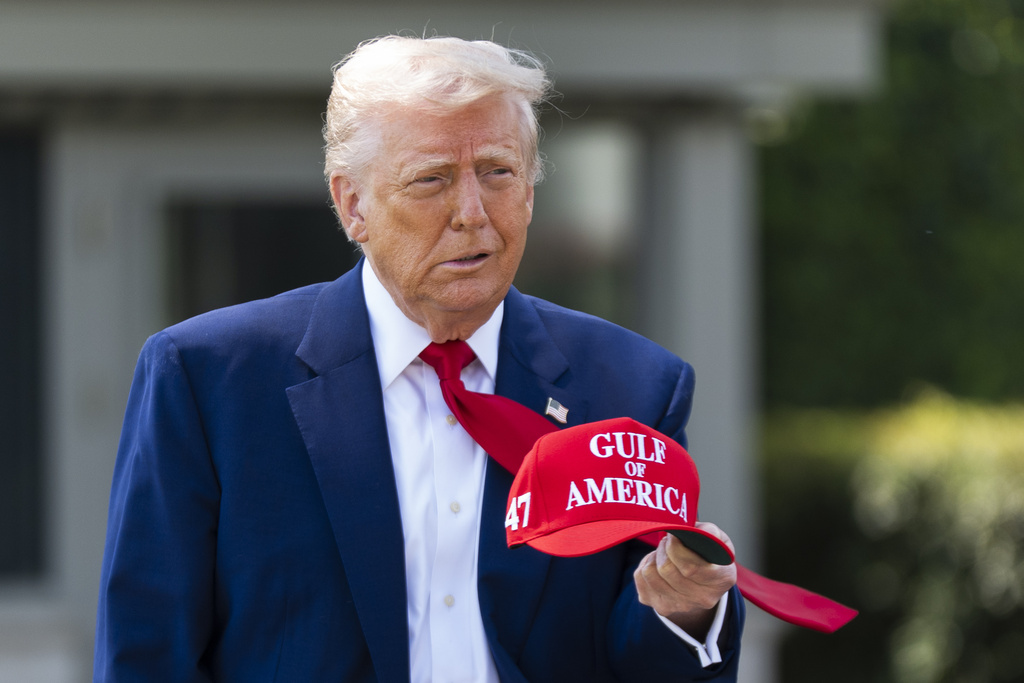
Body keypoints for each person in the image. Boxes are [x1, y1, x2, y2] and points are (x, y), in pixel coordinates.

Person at [94, 35, 744, 682]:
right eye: (431, 180)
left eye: (498, 172)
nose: (471, 213)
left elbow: (643, 661)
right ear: (353, 205)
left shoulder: (632, 384)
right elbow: (147, 652)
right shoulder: (209, 378)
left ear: (529, 192)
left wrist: (682, 609)